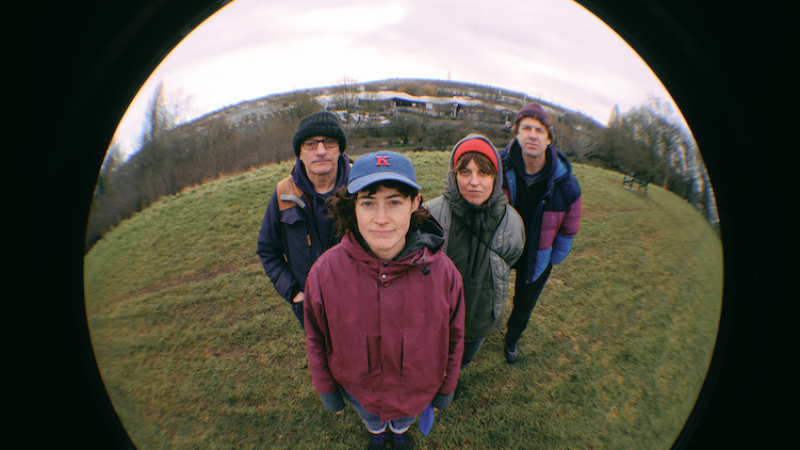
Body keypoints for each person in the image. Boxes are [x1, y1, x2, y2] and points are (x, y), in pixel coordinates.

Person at [304, 151, 465, 450]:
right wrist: (328, 392)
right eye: (368, 203)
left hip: (415, 395)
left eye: (394, 202)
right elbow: (315, 337)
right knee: (373, 420)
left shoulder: (445, 273)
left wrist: (446, 388)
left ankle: (400, 429)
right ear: (354, 208)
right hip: (360, 395)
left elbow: (455, 336)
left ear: (415, 203)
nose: (381, 219)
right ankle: (377, 431)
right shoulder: (324, 273)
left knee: (402, 420)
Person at [424, 134, 525, 370]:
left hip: (480, 314)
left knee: (463, 360)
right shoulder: (430, 214)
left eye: (484, 173)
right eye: (465, 172)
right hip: (434, 315)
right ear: (454, 174)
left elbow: (512, 255)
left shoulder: (512, 223)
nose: (474, 182)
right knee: (432, 358)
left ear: (496, 176)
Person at [500, 103, 582, 363]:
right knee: (486, 290)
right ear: (516, 133)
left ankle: (512, 338)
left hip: (538, 252)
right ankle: (475, 330)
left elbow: (569, 229)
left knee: (524, 302)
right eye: (526, 128)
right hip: (501, 247)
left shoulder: (567, 184)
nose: (532, 134)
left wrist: (553, 258)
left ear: (549, 138)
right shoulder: (497, 167)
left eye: (539, 130)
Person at [256, 111, 351, 330]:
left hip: (361, 305)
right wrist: (296, 295)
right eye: (310, 144)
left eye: (329, 142)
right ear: (299, 152)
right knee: (324, 361)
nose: (321, 151)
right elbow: (268, 250)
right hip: (313, 310)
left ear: (340, 148)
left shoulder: (361, 187)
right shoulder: (283, 193)